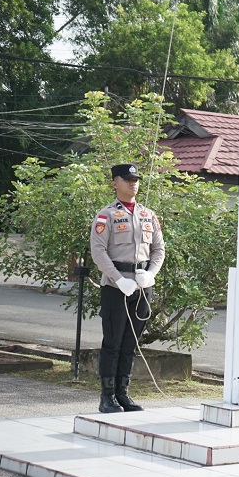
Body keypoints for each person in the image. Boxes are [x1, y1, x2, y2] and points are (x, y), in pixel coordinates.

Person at [90, 164, 165, 413]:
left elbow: (158, 250)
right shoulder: (107, 215)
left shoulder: (148, 215)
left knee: (130, 343)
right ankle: (107, 396)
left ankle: (123, 394)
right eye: (127, 179)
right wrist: (117, 279)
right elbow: (98, 251)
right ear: (115, 183)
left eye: (136, 179)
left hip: (142, 286)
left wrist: (151, 274)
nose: (133, 183)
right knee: (112, 342)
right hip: (116, 286)